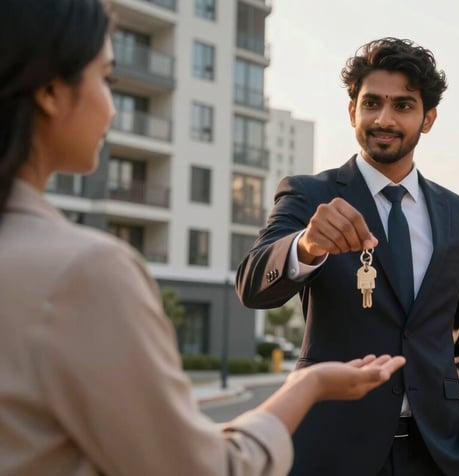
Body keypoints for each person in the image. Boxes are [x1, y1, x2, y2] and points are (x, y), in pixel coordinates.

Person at [0, 1, 405, 475]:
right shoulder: (84, 271)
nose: (111, 106)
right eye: (106, 79)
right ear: (50, 91)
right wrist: (308, 385)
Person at [237, 37, 459, 476]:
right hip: (331, 451)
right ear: (351, 110)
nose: (384, 118)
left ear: (428, 118)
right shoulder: (309, 194)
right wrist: (306, 245)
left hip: (439, 454)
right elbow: (251, 285)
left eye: (403, 105)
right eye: (372, 102)